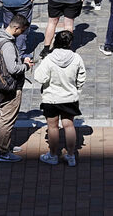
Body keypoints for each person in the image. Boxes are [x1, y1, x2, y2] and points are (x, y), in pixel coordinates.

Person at [34, 30, 86, 166]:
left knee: (53, 127)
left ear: (55, 42)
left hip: (51, 98)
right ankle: (70, 155)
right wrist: (77, 90)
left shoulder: (49, 59)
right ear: (70, 43)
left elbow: (39, 77)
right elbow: (81, 78)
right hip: (70, 97)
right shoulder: (76, 58)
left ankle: (52, 155)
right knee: (69, 125)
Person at [0, 14, 33, 163]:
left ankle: (5, 145)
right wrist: (26, 66)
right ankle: (3, 151)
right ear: (16, 28)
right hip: (10, 87)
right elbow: (13, 68)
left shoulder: (0, 38)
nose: (21, 33)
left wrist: (21, 59)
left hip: (1, 83)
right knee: (7, 119)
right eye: (21, 30)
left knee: (3, 115)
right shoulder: (8, 45)